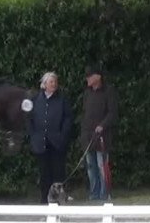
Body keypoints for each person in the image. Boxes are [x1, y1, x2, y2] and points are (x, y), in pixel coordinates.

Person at [28, 72, 73, 204]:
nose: (54, 84)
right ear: (44, 84)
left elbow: (68, 119)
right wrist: (33, 134)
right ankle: (44, 200)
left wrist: (63, 134)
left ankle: (59, 200)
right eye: (51, 82)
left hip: (57, 142)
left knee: (58, 173)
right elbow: (29, 119)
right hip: (41, 142)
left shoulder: (62, 100)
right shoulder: (35, 99)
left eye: (55, 82)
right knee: (44, 173)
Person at [80, 65, 118, 201]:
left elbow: (112, 113)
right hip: (88, 135)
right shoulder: (87, 93)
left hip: (102, 135)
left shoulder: (108, 91)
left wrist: (102, 125)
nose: (87, 79)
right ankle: (94, 193)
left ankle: (104, 193)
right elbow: (85, 113)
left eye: (90, 76)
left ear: (98, 77)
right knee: (91, 167)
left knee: (102, 166)